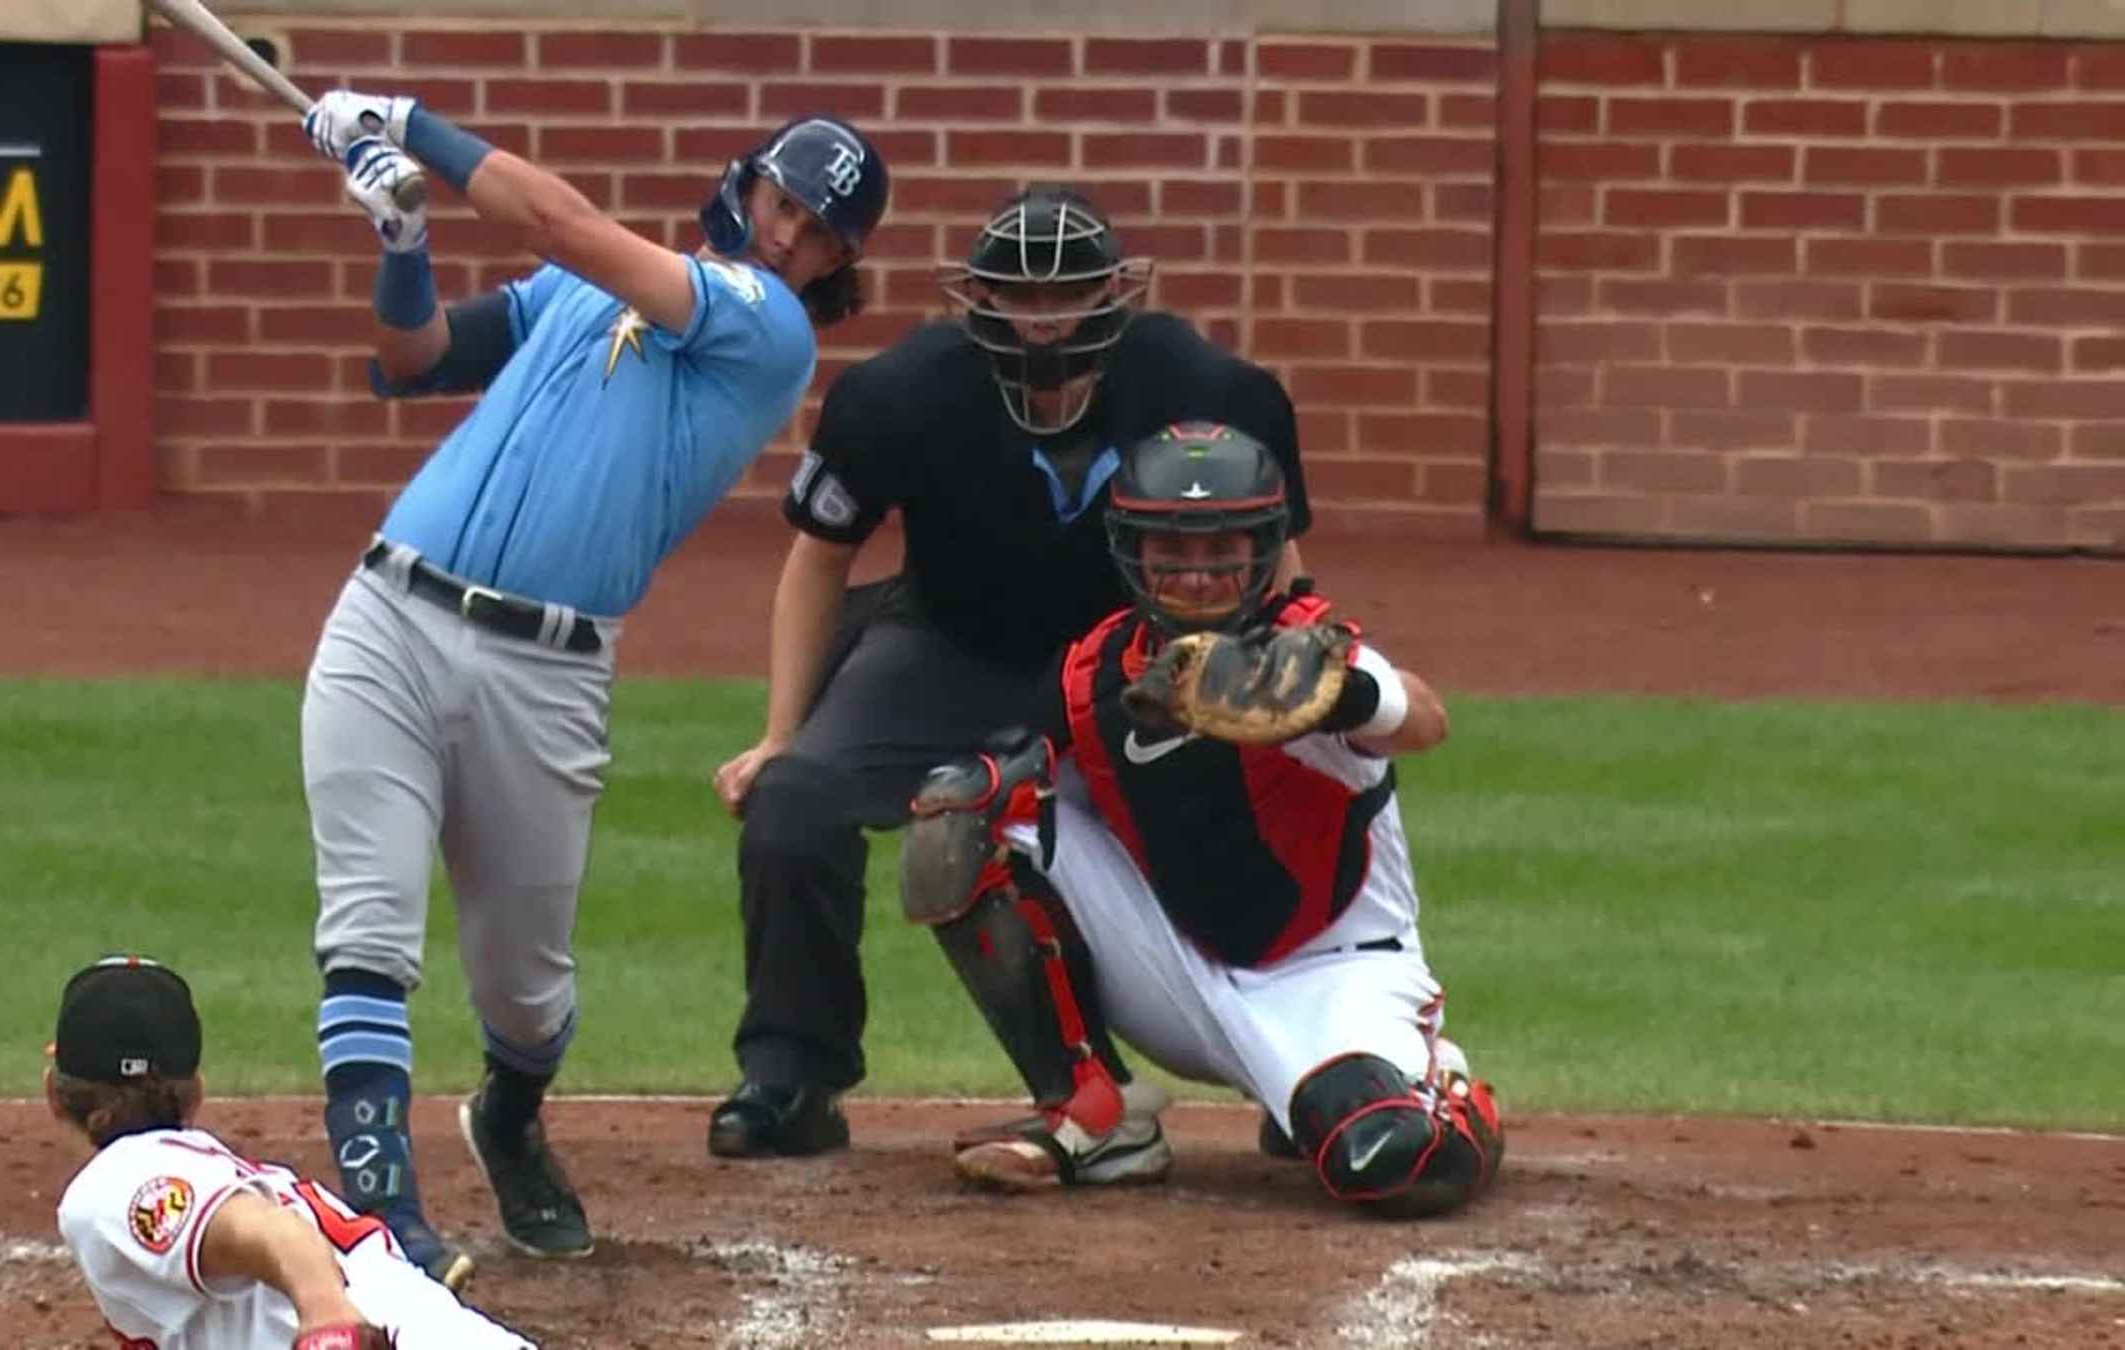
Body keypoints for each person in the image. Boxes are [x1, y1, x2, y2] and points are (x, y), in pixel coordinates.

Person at [292, 92, 890, 1276]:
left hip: (545, 670)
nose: (787, 237)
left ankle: (509, 1114)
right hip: (388, 619)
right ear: (748, 181)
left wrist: (411, 124)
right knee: (366, 930)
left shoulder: (768, 330)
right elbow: (409, 360)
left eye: (819, 232)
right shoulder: (582, 295)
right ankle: (382, 1216)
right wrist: (401, 239)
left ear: (835, 264)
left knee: (525, 991)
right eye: (783, 203)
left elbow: (560, 222)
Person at [706, 184, 1309, 1159]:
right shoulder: (897, 396)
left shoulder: (1211, 391)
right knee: (795, 800)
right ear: (975, 300)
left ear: (1116, 294)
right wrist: (782, 733)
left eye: (1065, 294)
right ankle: (791, 1075)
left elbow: (1275, 558)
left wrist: (1283, 703)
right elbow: (821, 555)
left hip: (1134, 662)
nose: (1044, 321)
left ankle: (1301, 1074)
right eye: (1019, 297)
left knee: (1260, 816)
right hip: (949, 641)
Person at [903, 421, 1505, 1216]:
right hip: (1178, 971)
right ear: (1133, 552)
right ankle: (1093, 1113)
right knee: (960, 814)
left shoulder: (1307, 654)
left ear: (1264, 550)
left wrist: (1331, 698)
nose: (1196, 575)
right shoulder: (1097, 673)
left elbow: (1421, 718)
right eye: (1172, 552)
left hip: (1332, 977)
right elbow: (1003, 798)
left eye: (1222, 551)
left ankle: (1433, 1087)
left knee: (1391, 1164)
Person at [44, 954, 542, 1350]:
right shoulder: (190, 1167)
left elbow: (267, 1231)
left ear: (54, 1091)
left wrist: (326, 1314)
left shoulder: (116, 1181)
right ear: (195, 1092)